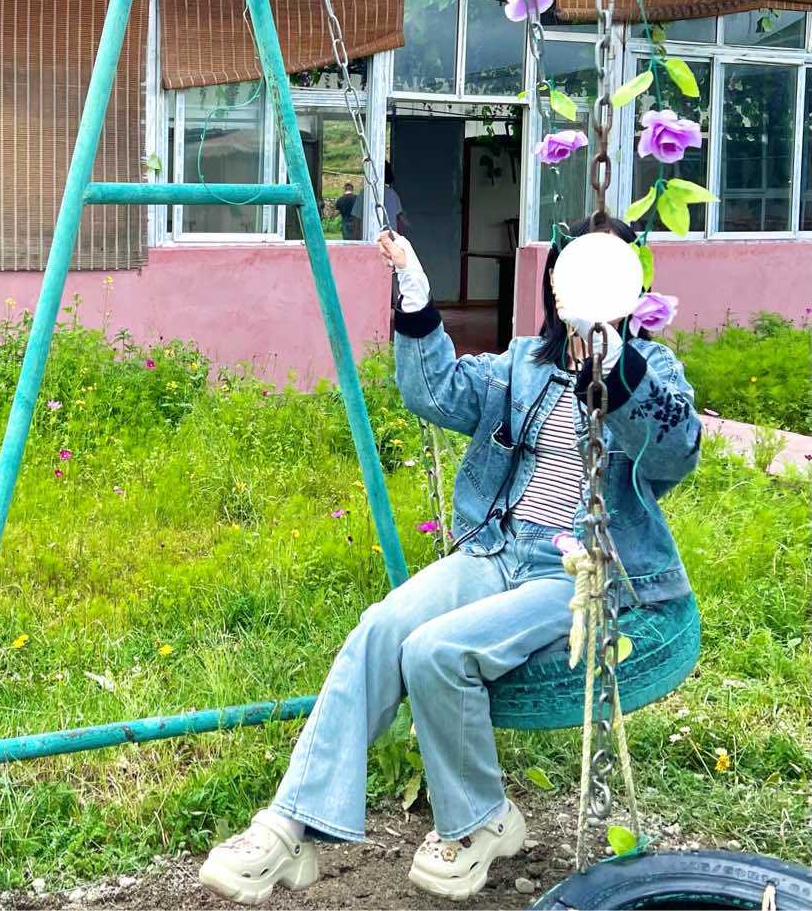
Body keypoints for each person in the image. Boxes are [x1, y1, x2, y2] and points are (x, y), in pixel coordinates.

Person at [199, 216, 700, 905]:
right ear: (555, 287)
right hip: (499, 550)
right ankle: (289, 828)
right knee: (381, 627)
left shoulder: (651, 371)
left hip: (581, 570)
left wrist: (613, 362)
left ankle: (481, 819)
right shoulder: (522, 366)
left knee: (437, 651)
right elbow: (435, 391)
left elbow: (676, 447)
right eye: (575, 275)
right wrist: (414, 291)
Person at [383, 164, 406, 235]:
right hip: (391, 238)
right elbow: (400, 219)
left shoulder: (364, 195)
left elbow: (356, 223)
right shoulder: (393, 194)